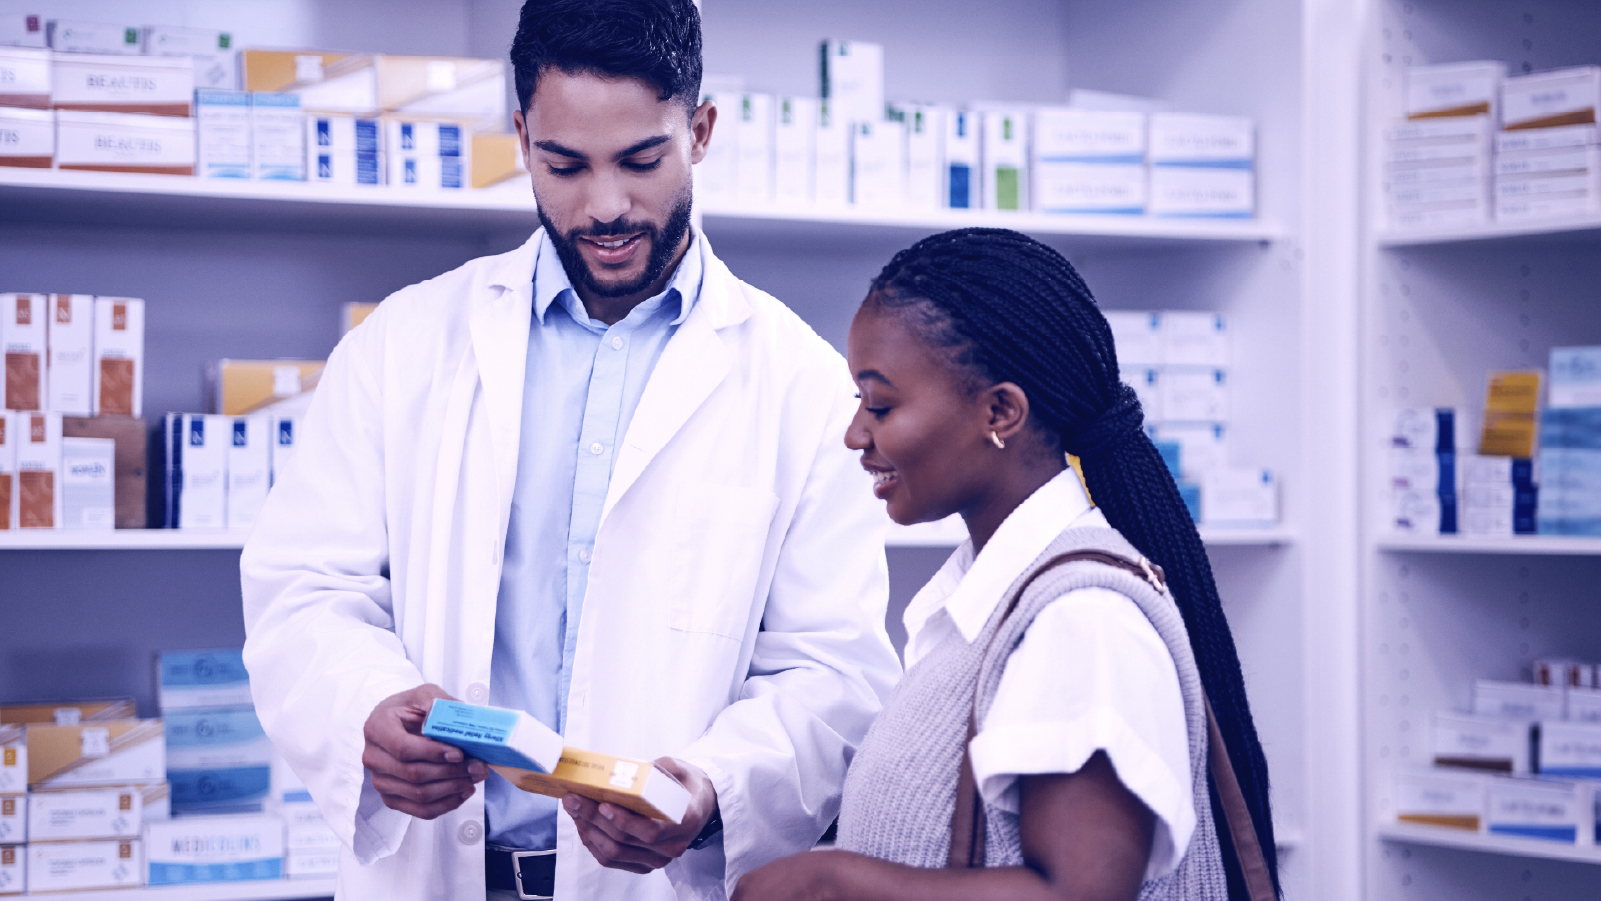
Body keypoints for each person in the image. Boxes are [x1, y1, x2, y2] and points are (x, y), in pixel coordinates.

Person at [239, 2, 900, 899]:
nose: (605, 207)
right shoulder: (404, 343)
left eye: (640, 160)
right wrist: (365, 712)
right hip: (438, 869)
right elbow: (306, 589)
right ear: (520, 135)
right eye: (564, 164)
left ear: (699, 132)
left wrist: (712, 786)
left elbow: (832, 670)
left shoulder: (799, 384)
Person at [734, 228, 1279, 901]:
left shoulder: (1082, 622)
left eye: (879, 404)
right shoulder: (996, 598)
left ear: (999, 411)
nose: (855, 434)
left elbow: (1076, 894)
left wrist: (833, 879)